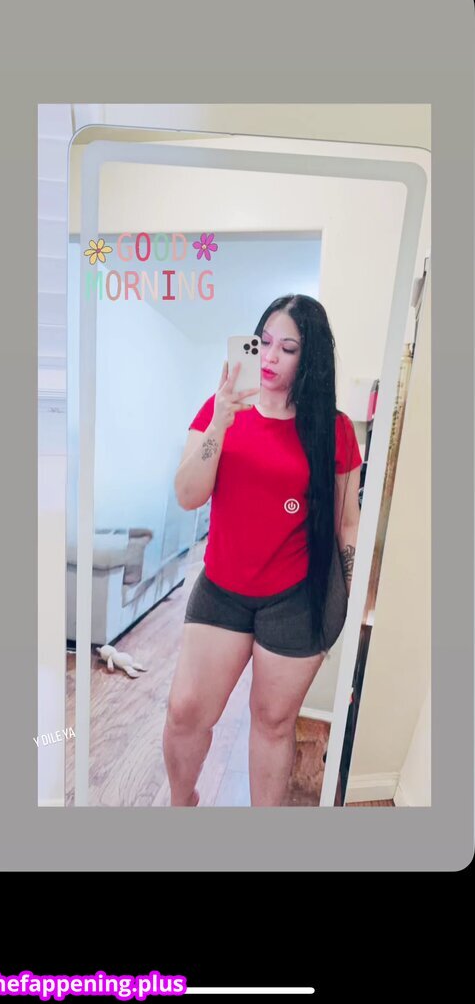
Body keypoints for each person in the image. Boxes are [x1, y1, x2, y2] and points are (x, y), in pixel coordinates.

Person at [162, 294, 363, 807]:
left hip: (296, 598)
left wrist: (346, 597)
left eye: (288, 348)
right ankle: (181, 803)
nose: (270, 357)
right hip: (222, 589)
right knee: (185, 711)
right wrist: (219, 423)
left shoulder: (334, 429)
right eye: (264, 342)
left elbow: (347, 522)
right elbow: (188, 495)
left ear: (309, 359)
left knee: (273, 722)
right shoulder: (219, 410)